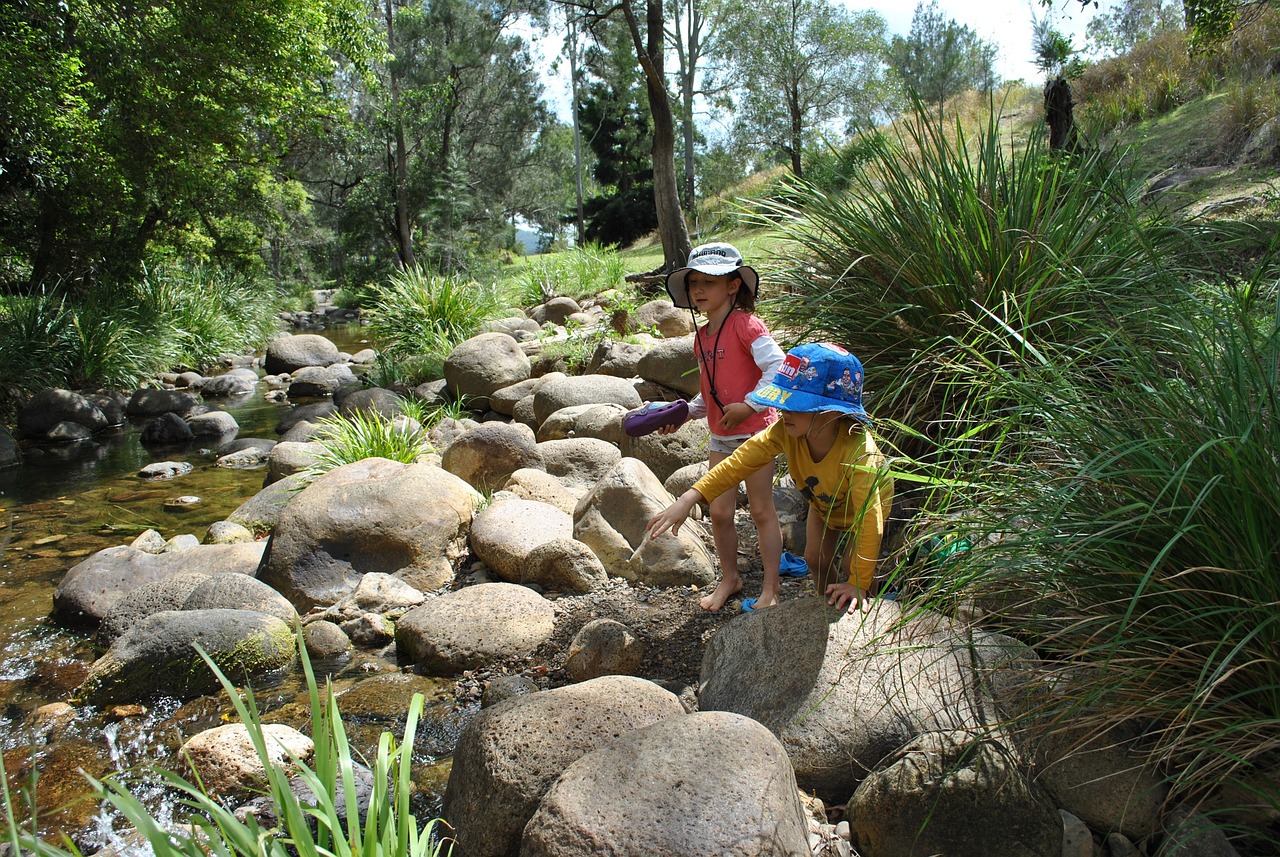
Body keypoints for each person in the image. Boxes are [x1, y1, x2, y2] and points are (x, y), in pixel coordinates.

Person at [647, 342, 894, 613]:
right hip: (824, 503)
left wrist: (857, 581)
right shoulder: (786, 430)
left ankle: (860, 598)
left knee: (853, 567)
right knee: (814, 557)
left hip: (862, 510)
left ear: (832, 412)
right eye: (781, 402)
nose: (782, 411)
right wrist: (690, 497)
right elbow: (740, 462)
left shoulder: (860, 453)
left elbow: (871, 521)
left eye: (795, 404)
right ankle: (829, 605)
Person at [660, 242, 786, 612]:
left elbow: (779, 368)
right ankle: (730, 579)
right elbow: (710, 390)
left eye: (710, 282)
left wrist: (750, 403)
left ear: (733, 286)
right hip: (721, 435)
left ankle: (771, 588)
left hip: (756, 433)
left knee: (762, 510)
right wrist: (685, 413)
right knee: (719, 512)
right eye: (694, 283)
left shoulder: (747, 325)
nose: (698, 290)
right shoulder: (702, 337)